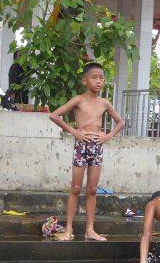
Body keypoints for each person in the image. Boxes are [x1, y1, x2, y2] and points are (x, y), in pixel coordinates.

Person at [48, 62, 125, 241]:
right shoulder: (78, 100)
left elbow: (120, 122)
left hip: (97, 147)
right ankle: (68, 229)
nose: (98, 81)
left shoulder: (105, 103)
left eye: (101, 78)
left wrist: (107, 136)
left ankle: (90, 230)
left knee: (92, 190)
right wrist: (74, 132)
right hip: (81, 146)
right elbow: (54, 115)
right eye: (94, 77)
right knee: (75, 188)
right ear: (85, 80)